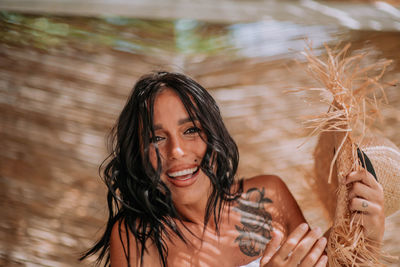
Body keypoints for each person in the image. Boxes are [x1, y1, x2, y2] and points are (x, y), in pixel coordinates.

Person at [81, 71, 385, 267]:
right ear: (140, 154)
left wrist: (368, 236)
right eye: (156, 138)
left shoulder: (268, 195)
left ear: (215, 135)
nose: (176, 151)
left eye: (190, 131)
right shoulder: (138, 237)